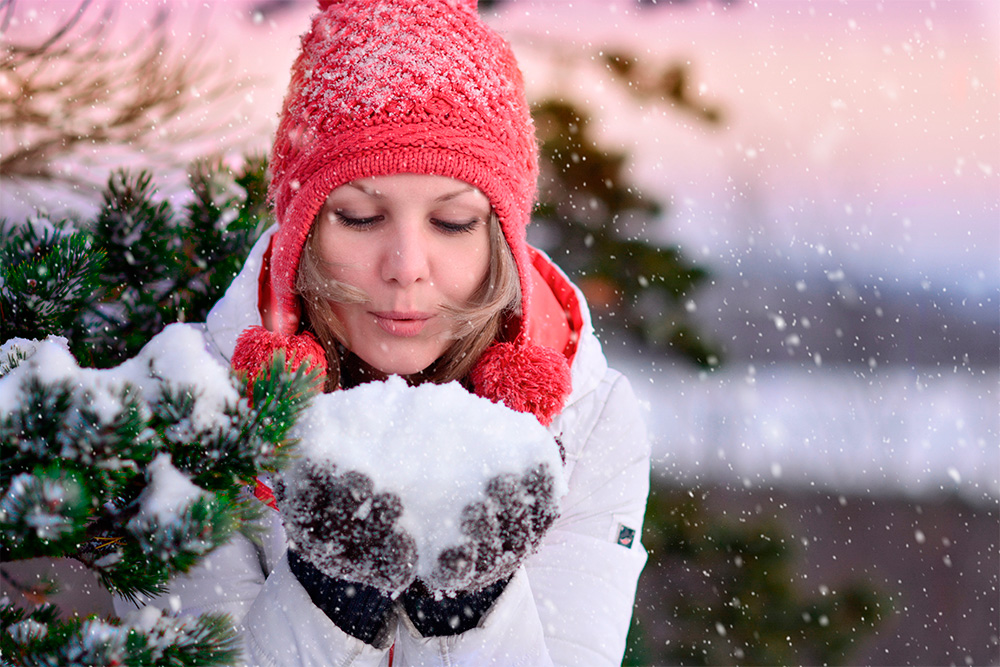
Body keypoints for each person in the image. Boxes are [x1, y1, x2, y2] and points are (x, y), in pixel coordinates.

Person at [116, 0, 650, 664]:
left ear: (500, 238)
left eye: (451, 221)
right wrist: (331, 597)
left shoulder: (588, 417)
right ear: (301, 228)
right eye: (361, 215)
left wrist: (468, 604)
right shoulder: (193, 404)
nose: (405, 269)